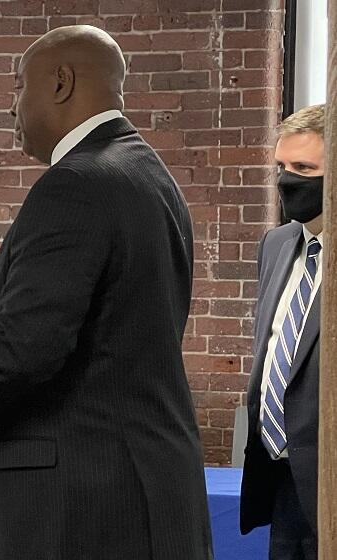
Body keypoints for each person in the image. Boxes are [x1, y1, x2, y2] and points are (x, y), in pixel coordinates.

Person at [0, 25, 213, 559]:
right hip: (139, 485)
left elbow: (25, 351)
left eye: (19, 86)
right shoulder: (147, 173)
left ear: (61, 82)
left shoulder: (75, 184)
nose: (13, 106)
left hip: (82, 506)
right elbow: (109, 316)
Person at [240, 103, 326, 560]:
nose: (287, 180)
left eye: (305, 168)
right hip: (280, 473)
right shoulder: (276, 244)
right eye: (282, 167)